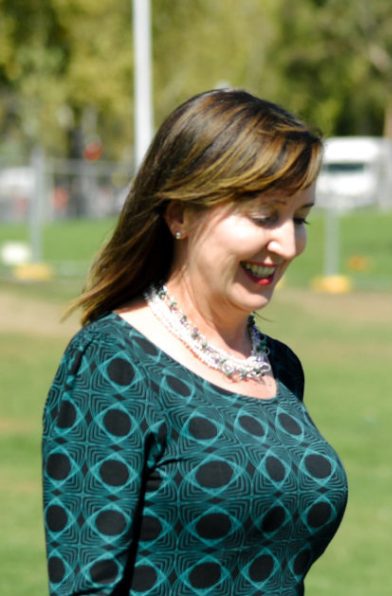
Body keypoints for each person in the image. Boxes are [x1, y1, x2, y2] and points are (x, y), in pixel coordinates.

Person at [41, 89, 347, 594]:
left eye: (299, 218)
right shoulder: (112, 364)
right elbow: (86, 587)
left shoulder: (280, 367)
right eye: (264, 215)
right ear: (179, 214)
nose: (288, 244)